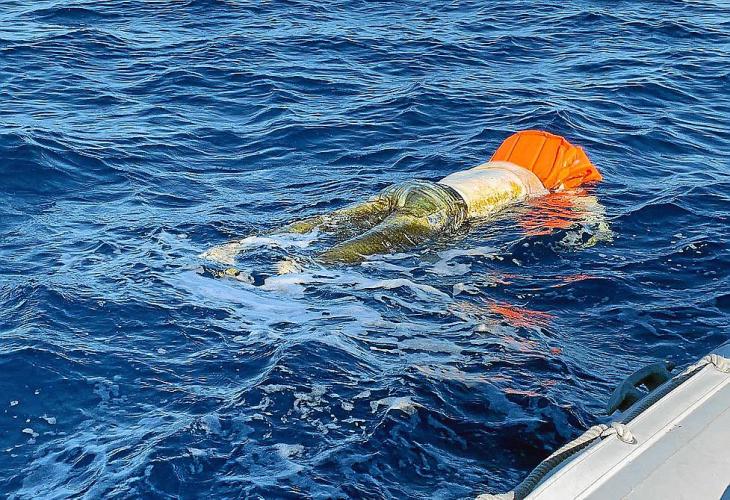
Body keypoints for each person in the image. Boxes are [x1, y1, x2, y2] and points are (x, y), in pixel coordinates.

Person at [201, 130, 603, 267]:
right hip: (442, 207)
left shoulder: (502, 164)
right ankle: (301, 267)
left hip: (415, 187)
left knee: (332, 221)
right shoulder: (540, 185)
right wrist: (598, 232)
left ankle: (245, 245)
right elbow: (588, 218)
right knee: (365, 245)